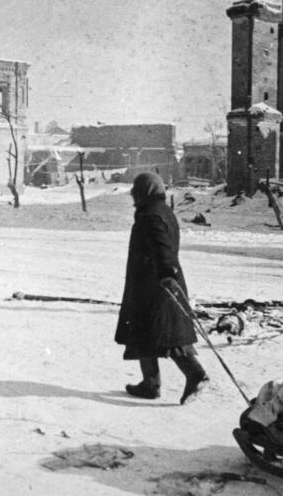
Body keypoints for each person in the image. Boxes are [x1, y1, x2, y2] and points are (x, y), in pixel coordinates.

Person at [115, 172, 208, 404]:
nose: (132, 194)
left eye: (136, 189)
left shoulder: (150, 215)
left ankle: (195, 374)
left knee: (165, 334)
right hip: (156, 282)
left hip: (155, 284)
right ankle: (150, 384)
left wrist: (167, 273)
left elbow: (161, 245)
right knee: (147, 333)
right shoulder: (163, 210)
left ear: (144, 191)